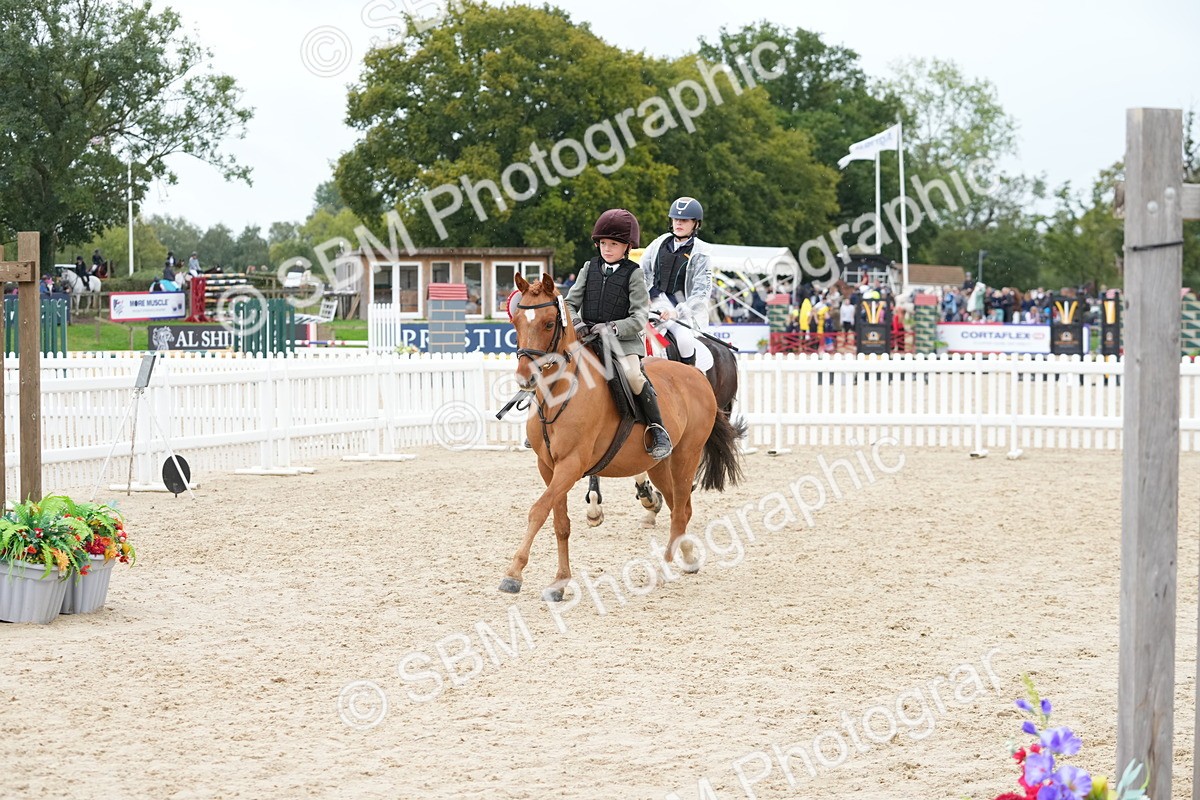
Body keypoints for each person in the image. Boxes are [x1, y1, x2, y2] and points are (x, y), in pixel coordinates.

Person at [565, 208, 672, 460]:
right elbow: (569, 304)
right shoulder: (588, 268)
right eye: (603, 243)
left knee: (634, 376)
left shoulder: (634, 274)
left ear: (627, 246)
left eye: (614, 244)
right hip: (587, 338)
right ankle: (544, 423)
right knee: (557, 367)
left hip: (623, 343)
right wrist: (578, 323)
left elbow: (638, 318)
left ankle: (657, 429)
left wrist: (612, 328)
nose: (607, 248)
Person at [639, 196, 714, 370]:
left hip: (681, 308)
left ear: (696, 223)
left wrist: (676, 312)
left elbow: (701, 293)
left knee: (685, 340)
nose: (678, 223)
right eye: (676, 219)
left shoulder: (701, 253)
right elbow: (642, 272)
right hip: (652, 302)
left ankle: (690, 378)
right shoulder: (659, 243)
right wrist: (641, 296)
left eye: (684, 220)